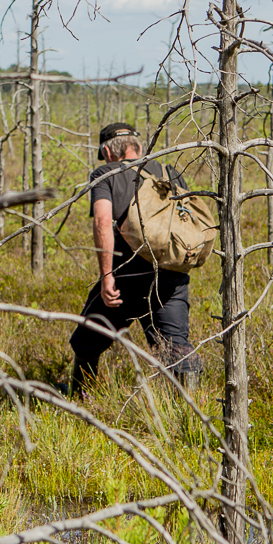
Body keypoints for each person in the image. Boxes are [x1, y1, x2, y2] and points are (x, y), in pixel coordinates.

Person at [68, 122, 201, 396]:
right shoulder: (170, 173)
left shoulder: (105, 174)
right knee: (177, 348)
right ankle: (189, 411)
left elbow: (102, 222)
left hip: (125, 278)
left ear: (107, 152)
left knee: (86, 341)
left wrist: (107, 277)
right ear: (138, 147)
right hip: (170, 276)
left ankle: (81, 399)